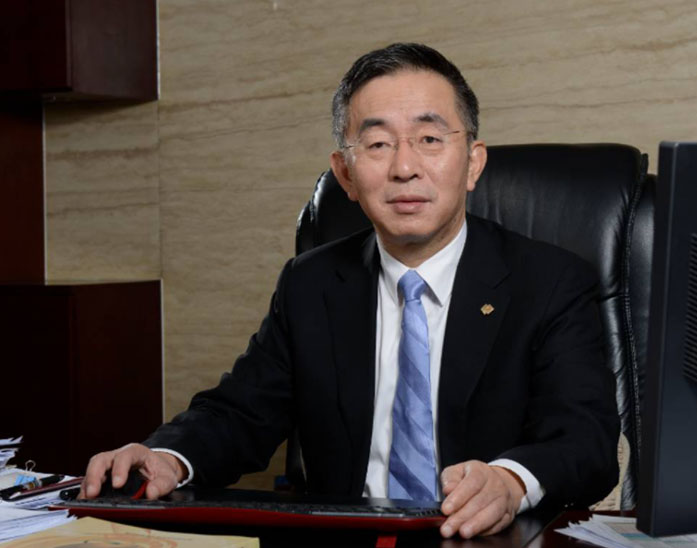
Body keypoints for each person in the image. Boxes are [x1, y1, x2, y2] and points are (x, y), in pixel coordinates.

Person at [80, 43, 620, 539]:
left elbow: (585, 441)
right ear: (345, 174)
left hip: (484, 541)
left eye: (430, 140)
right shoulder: (311, 284)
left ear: (473, 162)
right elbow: (240, 413)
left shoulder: (549, 282)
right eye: (378, 144)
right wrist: (167, 457)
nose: (405, 168)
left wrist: (510, 480)